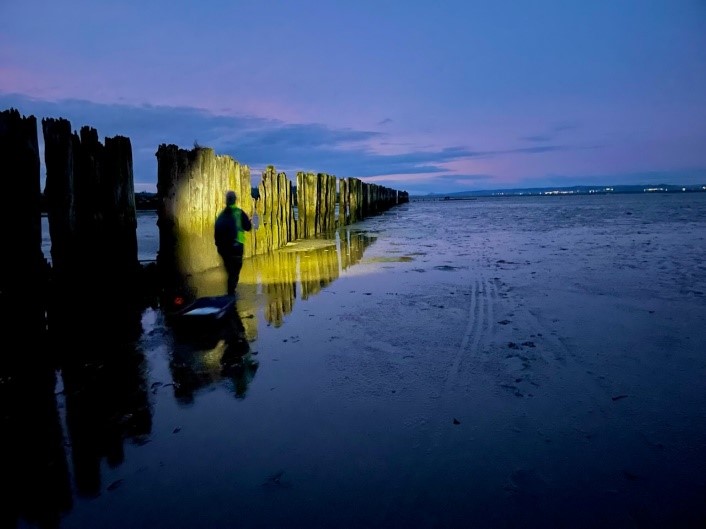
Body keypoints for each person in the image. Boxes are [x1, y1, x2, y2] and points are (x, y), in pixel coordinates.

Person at [214, 190, 252, 296]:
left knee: (230, 271)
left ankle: (230, 292)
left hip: (223, 249)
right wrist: (248, 221)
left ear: (226, 201)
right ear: (235, 200)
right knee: (234, 272)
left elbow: (217, 234)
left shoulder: (221, 216)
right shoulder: (239, 213)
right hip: (236, 248)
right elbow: (248, 227)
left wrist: (219, 246)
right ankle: (231, 294)